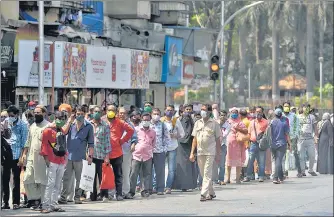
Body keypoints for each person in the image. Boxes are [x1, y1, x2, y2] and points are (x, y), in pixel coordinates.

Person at [59, 106, 94, 205]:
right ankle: (63, 197)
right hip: (69, 156)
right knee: (66, 178)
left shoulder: (89, 126)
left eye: (82, 114)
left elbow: (91, 143)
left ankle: (77, 197)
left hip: (81, 156)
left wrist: (90, 156)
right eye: (78, 114)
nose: (80, 116)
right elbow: (64, 132)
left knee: (79, 179)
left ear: (85, 114)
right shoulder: (71, 124)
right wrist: (70, 120)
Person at [189, 104, 222, 202]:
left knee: (207, 173)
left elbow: (218, 140)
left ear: (209, 112)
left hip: (210, 152)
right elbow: (194, 139)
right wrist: (192, 153)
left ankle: (203, 194)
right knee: (203, 174)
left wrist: (218, 154)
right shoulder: (197, 123)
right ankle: (211, 193)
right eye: (201, 110)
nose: (202, 111)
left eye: (204, 110)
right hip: (200, 151)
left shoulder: (214, 124)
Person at [21, 106, 49, 210]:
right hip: (31, 157)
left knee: (42, 180)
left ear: (44, 113)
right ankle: (34, 199)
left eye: (38, 112)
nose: (36, 114)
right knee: (27, 178)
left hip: (42, 158)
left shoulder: (48, 126)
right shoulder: (32, 126)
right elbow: (28, 141)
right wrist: (24, 154)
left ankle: (41, 201)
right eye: (35, 112)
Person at [40, 111, 68, 213]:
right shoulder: (47, 131)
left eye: (62, 118)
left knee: (58, 184)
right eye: (59, 118)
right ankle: (45, 205)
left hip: (61, 160)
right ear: (55, 118)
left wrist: (65, 159)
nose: (61, 120)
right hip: (52, 160)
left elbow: (64, 145)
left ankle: (54, 204)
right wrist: (46, 160)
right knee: (50, 184)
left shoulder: (61, 131)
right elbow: (43, 146)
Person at [105, 105, 134, 201]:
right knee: (107, 174)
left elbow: (131, 130)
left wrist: (122, 140)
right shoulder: (103, 121)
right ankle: (109, 194)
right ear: (106, 111)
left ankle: (119, 194)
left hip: (117, 152)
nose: (111, 112)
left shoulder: (120, 122)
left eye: (113, 110)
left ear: (115, 112)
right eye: (109, 110)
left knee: (118, 174)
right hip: (105, 153)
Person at [2, 106, 28, 210]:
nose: (10, 117)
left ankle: (16, 202)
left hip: (17, 155)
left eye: (12, 116)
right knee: (5, 179)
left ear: (17, 115)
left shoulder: (22, 125)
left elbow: (24, 142)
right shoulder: (5, 122)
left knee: (16, 180)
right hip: (6, 154)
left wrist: (22, 156)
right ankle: (5, 202)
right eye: (9, 115)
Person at [126, 112, 156, 199]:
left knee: (146, 174)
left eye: (148, 120)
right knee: (133, 174)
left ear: (150, 120)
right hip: (136, 155)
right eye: (144, 119)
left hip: (148, 156)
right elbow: (133, 140)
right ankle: (131, 192)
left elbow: (154, 143)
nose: (146, 121)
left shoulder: (153, 132)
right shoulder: (136, 129)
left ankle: (145, 191)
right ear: (141, 120)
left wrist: (149, 150)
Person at [173, 104, 197, 191]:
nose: (188, 111)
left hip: (190, 145)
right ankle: (181, 185)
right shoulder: (178, 120)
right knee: (181, 165)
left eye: (190, 109)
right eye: (186, 109)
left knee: (189, 165)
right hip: (180, 144)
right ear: (183, 111)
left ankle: (189, 185)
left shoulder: (192, 120)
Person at [161, 105, 184, 194]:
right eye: (168, 110)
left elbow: (182, 134)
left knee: (171, 169)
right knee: (160, 168)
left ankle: (168, 186)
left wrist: (175, 136)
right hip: (162, 148)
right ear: (164, 111)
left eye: (171, 110)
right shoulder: (161, 120)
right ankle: (159, 186)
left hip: (173, 147)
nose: (169, 112)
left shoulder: (176, 121)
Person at [90, 106, 111, 202]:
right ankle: (93, 196)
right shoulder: (88, 124)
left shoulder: (105, 125)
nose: (97, 113)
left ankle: (104, 195)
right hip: (90, 155)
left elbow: (107, 141)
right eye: (95, 111)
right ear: (92, 112)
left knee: (102, 176)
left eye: (99, 111)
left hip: (101, 154)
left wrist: (107, 156)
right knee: (91, 176)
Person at [149, 108, 170, 195]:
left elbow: (167, 137)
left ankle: (160, 188)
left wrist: (164, 149)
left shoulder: (162, 125)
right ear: (151, 114)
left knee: (160, 171)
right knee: (148, 172)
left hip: (159, 151)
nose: (156, 115)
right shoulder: (147, 124)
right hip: (148, 152)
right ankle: (148, 188)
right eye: (154, 114)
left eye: (158, 114)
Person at [244, 106, 268, 182]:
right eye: (257, 112)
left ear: (262, 112)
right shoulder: (252, 122)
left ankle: (261, 176)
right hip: (253, 143)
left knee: (261, 161)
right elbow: (249, 133)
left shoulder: (266, 122)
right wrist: (247, 143)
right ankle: (248, 176)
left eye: (260, 112)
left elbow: (268, 134)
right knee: (250, 160)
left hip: (262, 144)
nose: (258, 113)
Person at [118, 107, 138, 198]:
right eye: (120, 113)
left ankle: (125, 192)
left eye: (124, 113)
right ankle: (116, 192)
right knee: (116, 173)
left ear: (126, 114)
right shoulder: (114, 123)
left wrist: (133, 144)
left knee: (126, 172)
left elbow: (134, 136)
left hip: (126, 151)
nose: (122, 114)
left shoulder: (130, 124)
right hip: (115, 152)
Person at [225, 107, 247, 184]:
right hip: (229, 144)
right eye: (233, 112)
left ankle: (237, 179)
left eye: (236, 113)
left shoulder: (240, 122)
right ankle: (228, 178)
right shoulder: (227, 122)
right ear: (230, 113)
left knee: (238, 162)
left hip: (238, 144)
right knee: (228, 162)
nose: (234, 114)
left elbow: (245, 131)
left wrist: (238, 129)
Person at [270, 107, 291, 184]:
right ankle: (275, 178)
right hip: (282, 144)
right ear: (281, 114)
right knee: (278, 161)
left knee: (277, 160)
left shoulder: (271, 122)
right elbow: (287, 134)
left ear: (275, 114)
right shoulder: (284, 123)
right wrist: (290, 144)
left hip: (273, 144)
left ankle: (281, 177)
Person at [297, 104, 318, 176]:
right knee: (301, 156)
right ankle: (302, 171)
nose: (306, 109)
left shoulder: (312, 117)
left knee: (312, 155)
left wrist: (316, 136)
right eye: (305, 108)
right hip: (300, 139)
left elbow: (315, 127)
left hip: (310, 139)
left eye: (307, 108)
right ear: (302, 109)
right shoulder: (298, 117)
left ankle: (311, 169)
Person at [283, 102, 302, 177]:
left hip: (292, 137)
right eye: (285, 106)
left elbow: (297, 125)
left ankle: (299, 171)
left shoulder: (294, 116)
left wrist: (296, 135)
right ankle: (285, 171)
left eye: (287, 106)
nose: (286, 107)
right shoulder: (281, 115)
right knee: (284, 155)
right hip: (284, 138)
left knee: (294, 153)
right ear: (283, 107)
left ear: (289, 107)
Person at [217, 110, 230, 185]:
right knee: (213, 164)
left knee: (222, 164)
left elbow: (224, 134)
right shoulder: (215, 123)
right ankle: (213, 180)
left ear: (226, 116)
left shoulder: (228, 125)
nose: (222, 117)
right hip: (214, 145)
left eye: (224, 115)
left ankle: (221, 179)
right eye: (221, 115)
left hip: (222, 145)